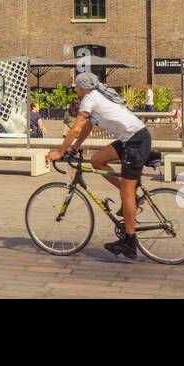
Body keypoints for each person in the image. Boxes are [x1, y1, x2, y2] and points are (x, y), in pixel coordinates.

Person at [46, 72, 155, 260]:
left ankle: (129, 243)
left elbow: (76, 128)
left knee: (126, 195)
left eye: (76, 86)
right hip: (130, 139)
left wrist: (60, 151)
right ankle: (130, 195)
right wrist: (74, 148)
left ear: (84, 88)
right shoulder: (96, 96)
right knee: (96, 160)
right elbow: (87, 127)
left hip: (136, 142)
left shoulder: (90, 99)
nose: (74, 89)